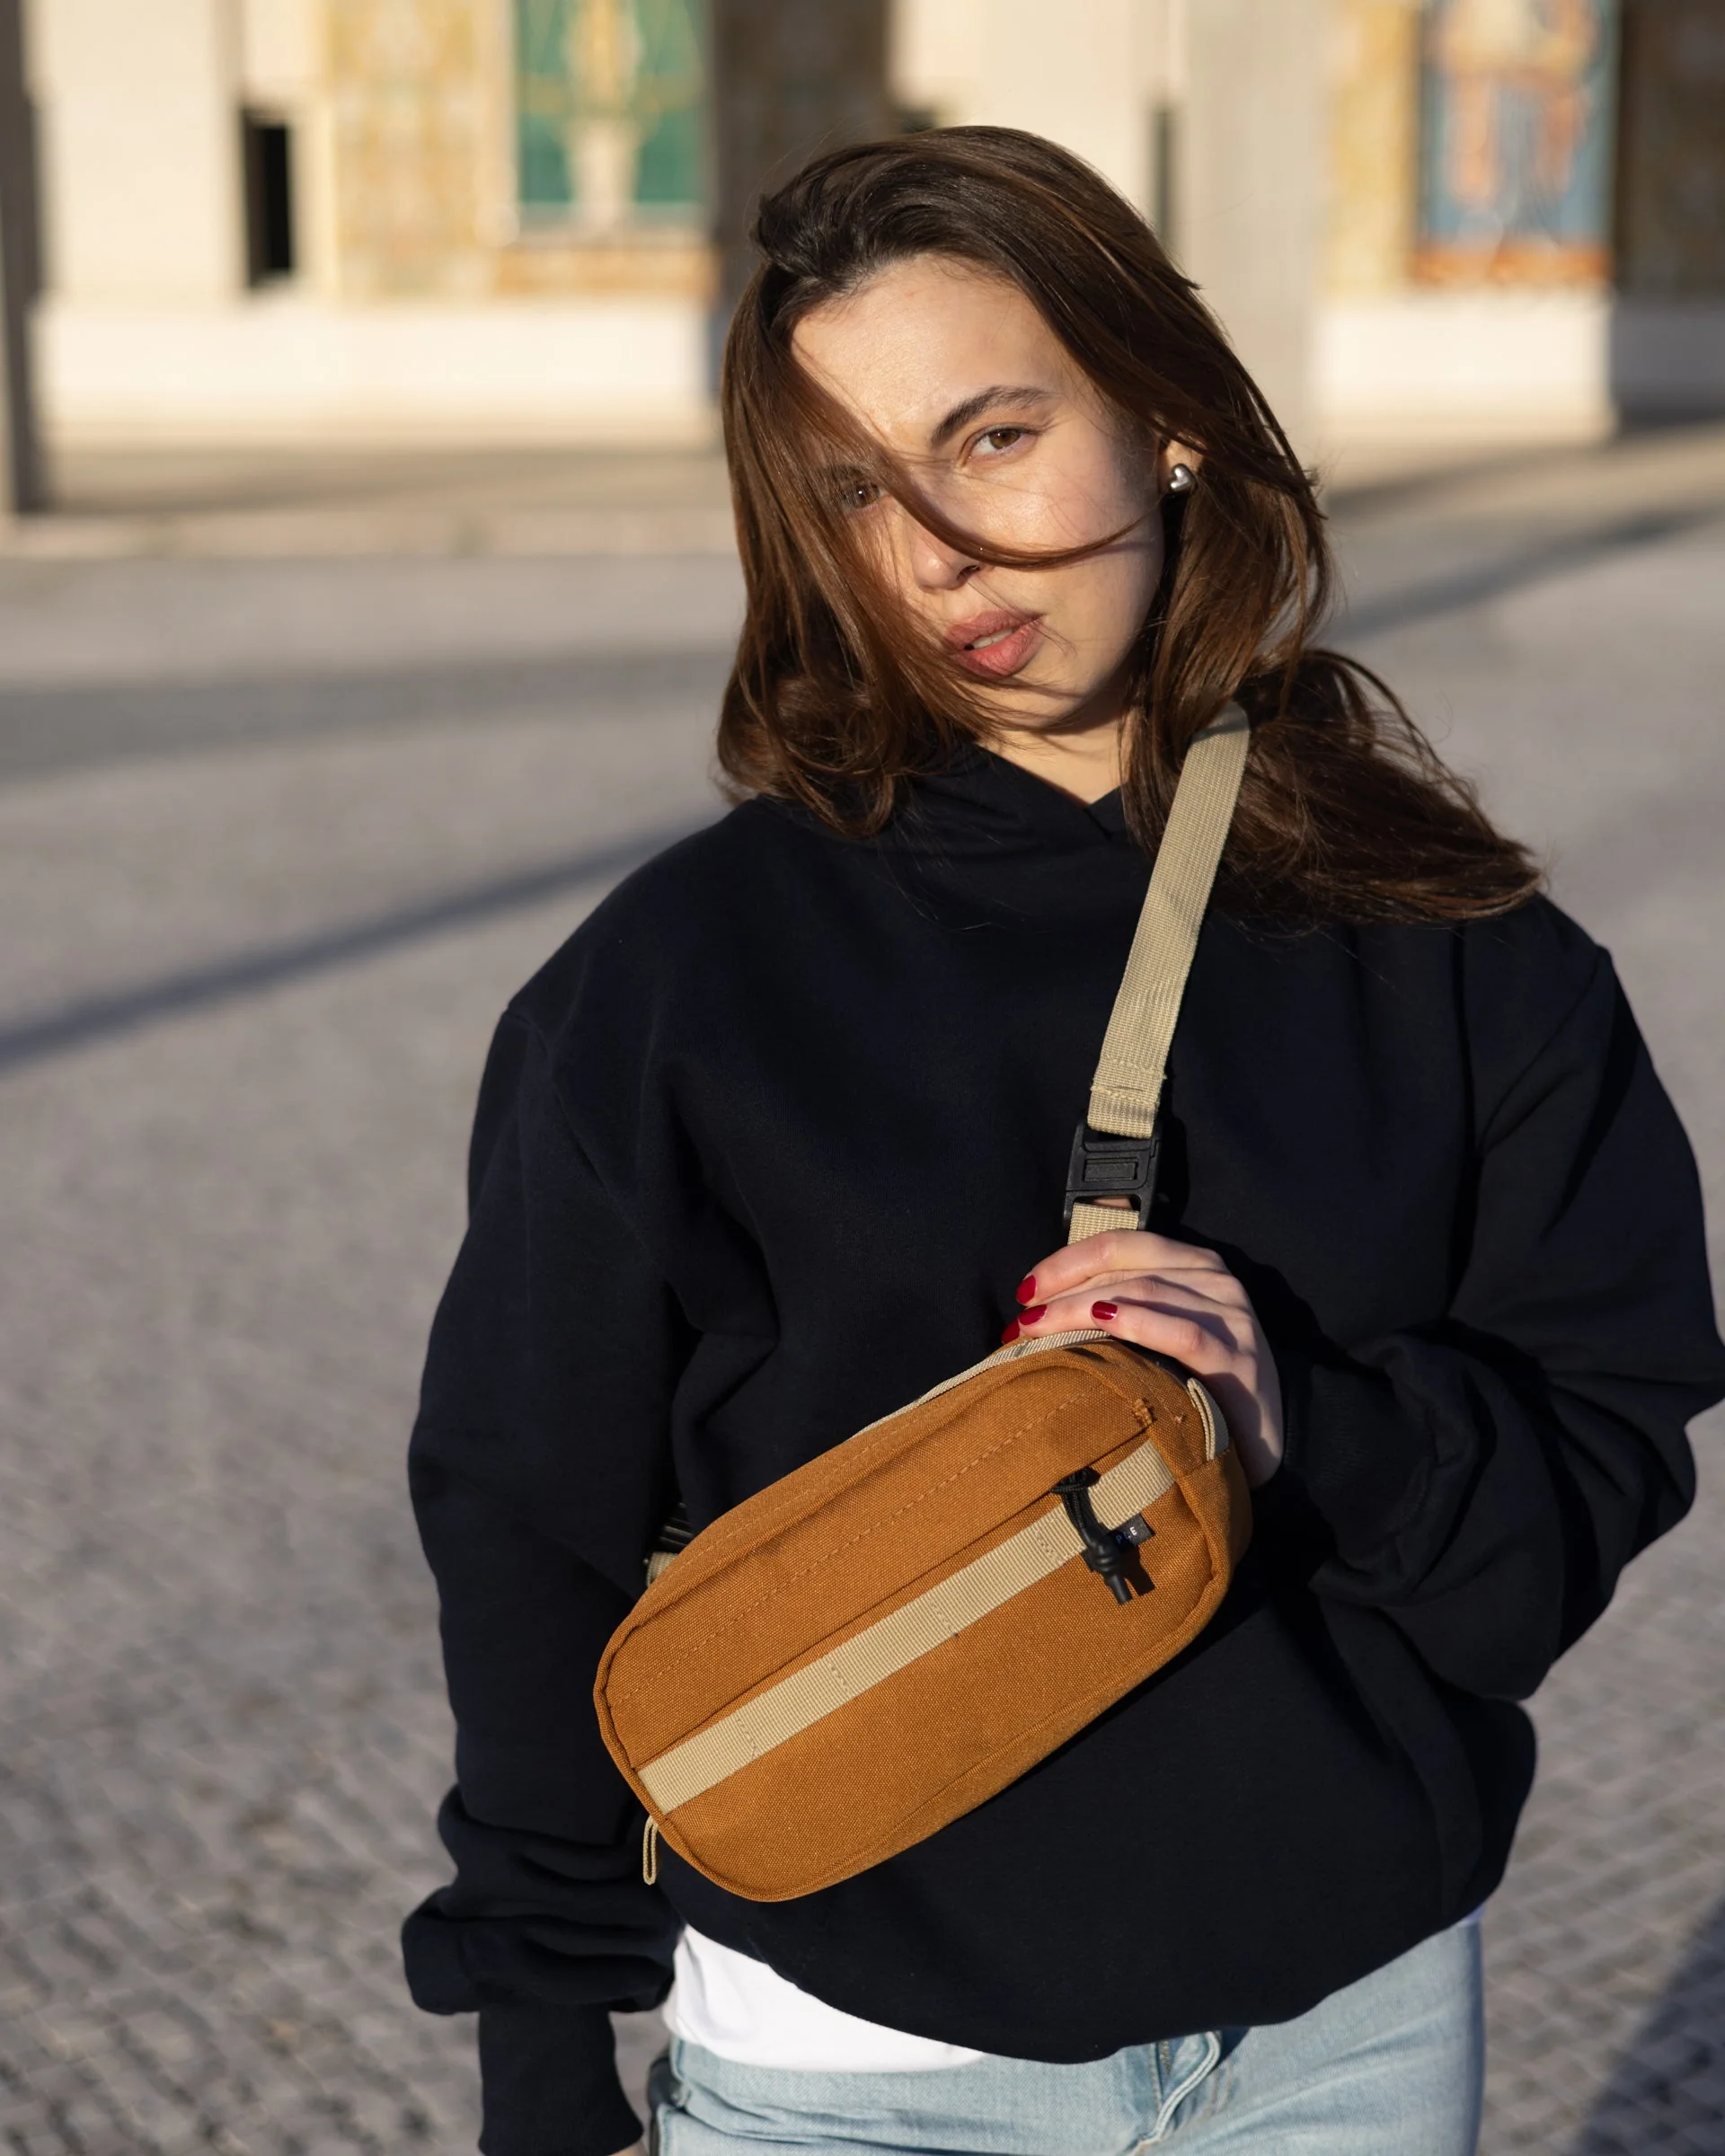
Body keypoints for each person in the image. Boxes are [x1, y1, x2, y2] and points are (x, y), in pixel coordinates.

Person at [401, 128, 1724, 2156]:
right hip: (857, 2072)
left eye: (995, 437)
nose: (934, 551)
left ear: (1169, 421)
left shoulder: (1467, 960)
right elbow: (528, 1523)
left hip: (1343, 2045)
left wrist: (1307, 1424)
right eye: (851, 488)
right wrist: (536, 2066)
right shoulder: (676, 984)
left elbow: (1593, 1463)